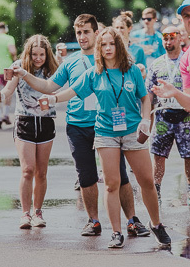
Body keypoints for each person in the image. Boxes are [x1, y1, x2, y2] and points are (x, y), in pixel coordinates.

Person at [16, 14, 149, 238]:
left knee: (120, 176)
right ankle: (94, 221)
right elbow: (49, 86)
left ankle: (132, 220)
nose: (81, 37)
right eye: (78, 33)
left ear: (97, 33)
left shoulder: (113, 60)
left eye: (86, 31)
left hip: (107, 125)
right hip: (78, 125)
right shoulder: (70, 62)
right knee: (86, 177)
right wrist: (25, 75)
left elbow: (137, 90)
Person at [41, 27, 171, 249]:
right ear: (99, 49)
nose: (108, 48)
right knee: (112, 184)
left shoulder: (130, 70)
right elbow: (72, 91)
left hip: (131, 131)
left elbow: (144, 98)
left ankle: (156, 224)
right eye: (103, 45)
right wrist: (51, 99)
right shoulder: (95, 72)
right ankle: (116, 232)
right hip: (105, 132)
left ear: (118, 45)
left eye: (111, 44)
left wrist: (145, 121)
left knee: (147, 181)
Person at [0, 35, 58, 229]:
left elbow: (60, 88)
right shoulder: (19, 66)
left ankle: (38, 212)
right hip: (25, 121)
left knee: (41, 171)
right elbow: (8, 89)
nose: (38, 58)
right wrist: (0, 96)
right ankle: (25, 213)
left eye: (41, 54)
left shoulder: (52, 69)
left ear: (47, 54)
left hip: (46, 122)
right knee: (27, 169)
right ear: (28, 54)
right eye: (34, 54)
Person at [144, 25, 190, 205]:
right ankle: (156, 190)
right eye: (165, 39)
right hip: (163, 116)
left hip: (187, 116)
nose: (168, 42)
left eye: (172, 37)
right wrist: (145, 120)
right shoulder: (156, 64)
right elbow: (148, 94)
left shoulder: (189, 62)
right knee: (158, 155)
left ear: (180, 38)